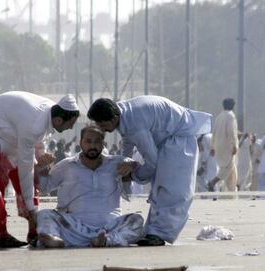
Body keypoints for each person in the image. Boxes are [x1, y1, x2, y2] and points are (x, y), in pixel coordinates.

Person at [87, 96, 211, 246]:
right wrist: (123, 162)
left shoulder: (133, 123)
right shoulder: (120, 111)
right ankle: (154, 232)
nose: (101, 128)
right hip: (168, 139)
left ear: (113, 118)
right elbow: (127, 141)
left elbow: (152, 162)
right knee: (160, 189)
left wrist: (132, 175)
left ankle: (159, 234)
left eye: (102, 124)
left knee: (171, 191)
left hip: (179, 141)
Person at [0, 91, 79, 248]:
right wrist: (31, 207)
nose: (71, 128)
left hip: (11, 133)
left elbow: (38, 143)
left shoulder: (47, 114)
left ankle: (33, 231)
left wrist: (42, 160)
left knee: (32, 180)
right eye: (71, 124)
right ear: (59, 119)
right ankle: (1, 234)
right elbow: (25, 168)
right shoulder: (34, 124)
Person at [36, 125, 144, 248]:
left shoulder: (116, 163)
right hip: (74, 227)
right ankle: (54, 239)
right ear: (80, 143)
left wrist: (133, 165)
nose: (92, 146)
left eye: (97, 142)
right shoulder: (66, 166)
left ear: (103, 144)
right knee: (44, 214)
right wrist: (42, 170)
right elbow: (45, 188)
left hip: (108, 227)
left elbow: (140, 168)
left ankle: (106, 241)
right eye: (88, 141)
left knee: (136, 220)